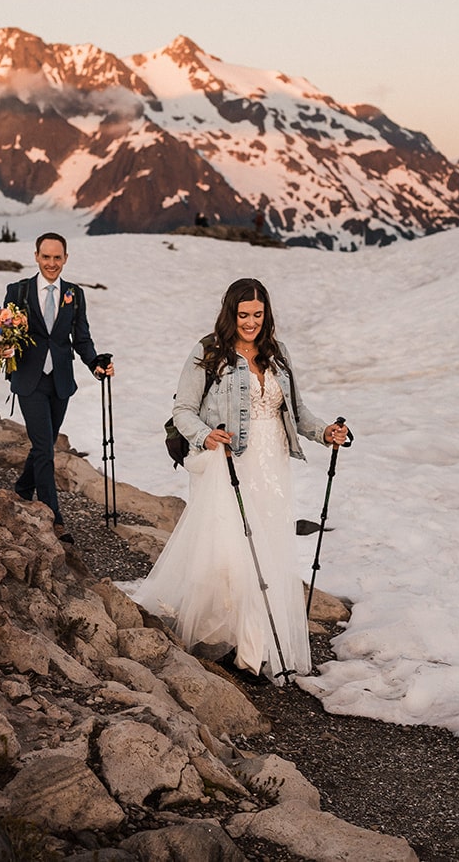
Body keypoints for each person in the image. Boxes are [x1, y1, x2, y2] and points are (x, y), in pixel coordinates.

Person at [132, 277, 347, 681]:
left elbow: (297, 413)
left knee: (267, 551)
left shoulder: (277, 355)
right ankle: (246, 648)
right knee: (234, 554)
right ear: (230, 313)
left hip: (274, 464)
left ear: (267, 315)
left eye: (258, 315)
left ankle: (257, 644)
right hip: (229, 463)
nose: (251, 322)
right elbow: (183, 409)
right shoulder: (209, 352)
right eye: (243, 315)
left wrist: (325, 433)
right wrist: (205, 435)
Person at [4, 233, 112, 544]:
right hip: (29, 380)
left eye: (57, 258)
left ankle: (23, 489)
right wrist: (5, 350)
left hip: (61, 380)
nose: (51, 263)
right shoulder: (19, 291)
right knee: (43, 449)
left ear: (65, 258)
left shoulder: (74, 295)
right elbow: (7, 334)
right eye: (46, 257)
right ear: (36, 256)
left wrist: (95, 363)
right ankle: (54, 516)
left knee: (45, 443)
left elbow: (81, 338)